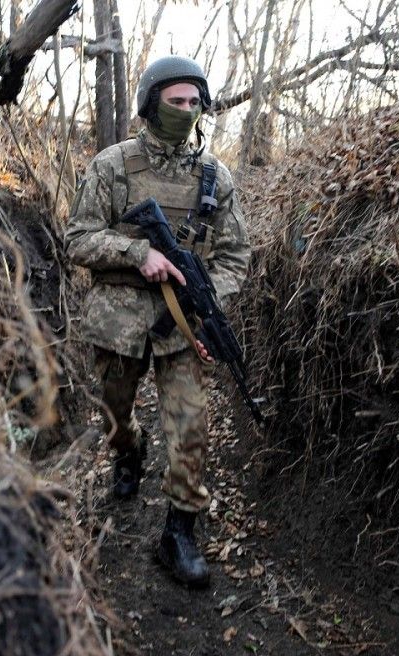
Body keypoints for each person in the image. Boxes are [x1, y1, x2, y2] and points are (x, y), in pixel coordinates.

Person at [63, 56, 250, 587]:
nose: (187, 111)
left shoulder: (217, 178)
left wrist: (209, 301)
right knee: (115, 414)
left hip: (184, 323)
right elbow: (78, 239)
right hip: (118, 319)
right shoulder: (113, 166)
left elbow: (236, 256)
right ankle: (129, 452)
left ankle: (179, 531)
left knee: (191, 422)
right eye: (176, 102)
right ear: (151, 104)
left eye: (195, 103)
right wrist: (136, 252)